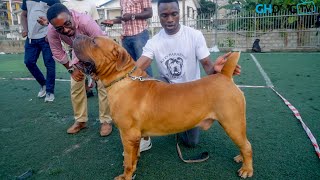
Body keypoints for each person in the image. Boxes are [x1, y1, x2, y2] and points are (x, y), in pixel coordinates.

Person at [135, 0, 241, 149]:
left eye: (174, 14)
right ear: (159, 17)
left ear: (179, 14)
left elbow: (208, 68)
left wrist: (218, 69)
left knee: (191, 143)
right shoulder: (153, 42)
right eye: (164, 15)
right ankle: (145, 136)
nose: (170, 19)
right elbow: (139, 66)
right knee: (149, 84)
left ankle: (174, 120)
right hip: (168, 92)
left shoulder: (194, 35)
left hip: (192, 93)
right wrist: (120, 73)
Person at [46, 3, 112, 136]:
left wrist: (96, 70)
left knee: (102, 84)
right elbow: (57, 51)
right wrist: (72, 70)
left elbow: (102, 45)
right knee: (75, 84)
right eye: (60, 29)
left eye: (67, 24)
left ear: (71, 15)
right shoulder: (52, 30)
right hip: (78, 52)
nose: (65, 30)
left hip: (99, 50)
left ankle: (106, 120)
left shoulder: (86, 21)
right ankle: (80, 120)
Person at [101, 0, 153, 77]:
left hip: (140, 35)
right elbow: (124, 18)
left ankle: (150, 88)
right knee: (129, 67)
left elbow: (149, 13)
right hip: (126, 38)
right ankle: (136, 88)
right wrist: (112, 21)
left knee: (144, 67)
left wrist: (132, 16)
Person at [20, 0, 59, 102]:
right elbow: (23, 15)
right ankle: (43, 84)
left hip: (46, 36)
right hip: (31, 37)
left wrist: (50, 32)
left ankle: (50, 91)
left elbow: (58, 14)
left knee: (49, 64)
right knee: (28, 62)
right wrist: (25, 29)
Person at [63, 0, 101, 98]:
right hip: (74, 46)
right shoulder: (66, 4)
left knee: (97, 70)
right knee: (79, 71)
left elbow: (95, 23)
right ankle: (87, 89)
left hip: (90, 46)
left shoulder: (90, 4)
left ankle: (98, 86)